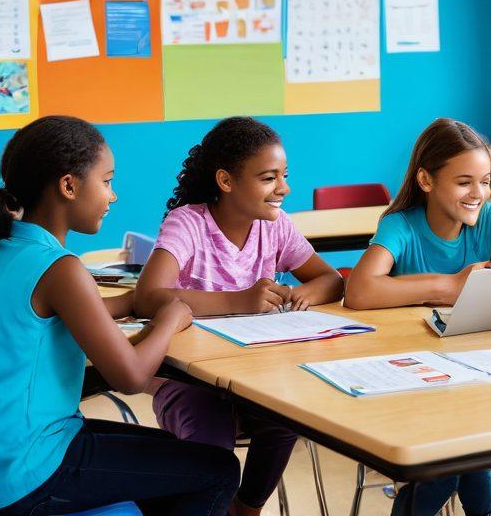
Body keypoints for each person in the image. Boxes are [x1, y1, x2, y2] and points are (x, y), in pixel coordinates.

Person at [0, 115, 238, 516]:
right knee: (220, 469)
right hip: (29, 470)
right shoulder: (61, 268)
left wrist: (132, 301)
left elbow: (62, 313)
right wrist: (171, 319)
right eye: (106, 181)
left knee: (180, 460)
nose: (113, 196)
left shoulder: (6, 248)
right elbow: (131, 378)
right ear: (69, 186)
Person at [134, 116, 344, 516]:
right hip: (188, 379)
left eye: (284, 176)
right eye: (268, 178)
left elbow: (331, 280)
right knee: (213, 454)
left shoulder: (275, 226)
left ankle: (247, 509)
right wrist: (239, 300)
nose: (284, 188)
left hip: (253, 374)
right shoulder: (189, 223)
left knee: (286, 415)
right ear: (226, 181)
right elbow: (148, 297)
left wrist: (303, 293)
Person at [346, 117, 491, 516]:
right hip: (409, 380)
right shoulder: (401, 225)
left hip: (472, 375)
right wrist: (452, 286)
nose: (478, 193)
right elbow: (359, 291)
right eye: (464, 182)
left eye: (485, 181)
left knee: (466, 443)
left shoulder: (489, 217)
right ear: (426, 180)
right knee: (459, 450)